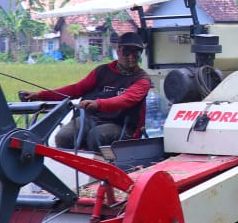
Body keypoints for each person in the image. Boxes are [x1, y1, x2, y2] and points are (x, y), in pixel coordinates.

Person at [24, 31, 152, 148]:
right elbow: (76, 89)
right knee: (63, 137)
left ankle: (99, 171)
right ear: (118, 50)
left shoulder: (142, 79)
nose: (131, 57)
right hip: (93, 118)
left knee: (95, 137)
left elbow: (125, 99)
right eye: (127, 52)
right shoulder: (102, 71)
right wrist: (40, 95)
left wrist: (97, 104)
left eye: (136, 53)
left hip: (122, 125)